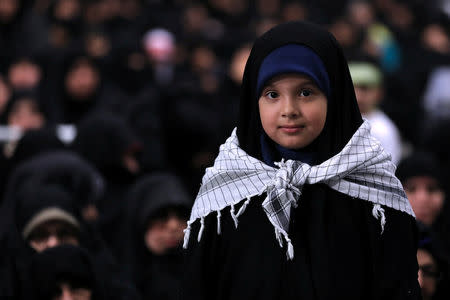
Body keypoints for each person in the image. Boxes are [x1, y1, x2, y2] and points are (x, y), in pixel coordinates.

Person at [181, 21, 420, 299]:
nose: (289, 110)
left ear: (334, 97)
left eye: (306, 92)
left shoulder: (374, 193)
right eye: (272, 95)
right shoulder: (225, 197)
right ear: (252, 101)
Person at [348, 60, 403, 164]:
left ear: (379, 93)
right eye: (351, 88)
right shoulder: (328, 120)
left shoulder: (384, 130)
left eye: (364, 88)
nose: (357, 96)